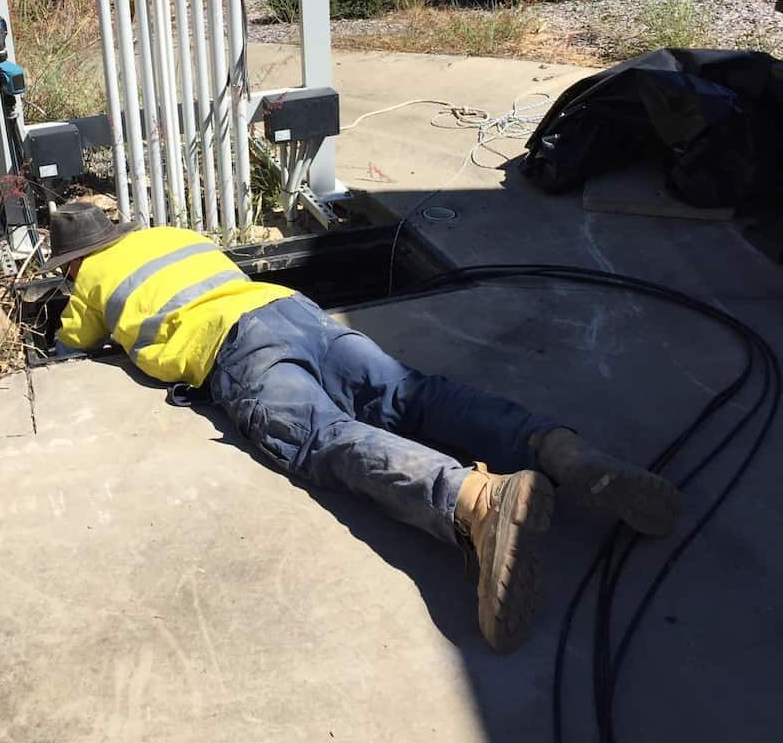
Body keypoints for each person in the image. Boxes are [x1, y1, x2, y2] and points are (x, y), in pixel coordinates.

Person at [47, 202, 680, 652]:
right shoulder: (174, 235)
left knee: (320, 436)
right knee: (409, 393)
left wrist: (69, 328)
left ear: (75, 262)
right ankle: (562, 450)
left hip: (237, 348)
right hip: (293, 309)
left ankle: (477, 500)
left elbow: (73, 347)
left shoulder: (91, 279)